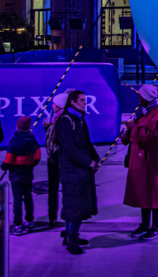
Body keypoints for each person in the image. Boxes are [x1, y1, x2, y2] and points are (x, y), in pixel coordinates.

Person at [55, 89, 100, 255]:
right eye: (81, 100)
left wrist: (95, 157)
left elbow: (87, 143)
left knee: (76, 205)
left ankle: (70, 234)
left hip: (81, 170)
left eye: (85, 100)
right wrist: (88, 161)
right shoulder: (66, 121)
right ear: (72, 102)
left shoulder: (79, 120)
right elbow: (69, 148)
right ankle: (71, 240)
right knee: (74, 206)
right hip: (72, 171)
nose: (85, 103)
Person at [123, 84, 158, 240]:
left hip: (154, 158)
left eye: (140, 96)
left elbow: (154, 136)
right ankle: (145, 224)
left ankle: (156, 226)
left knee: (155, 191)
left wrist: (133, 129)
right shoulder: (142, 112)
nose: (138, 98)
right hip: (142, 158)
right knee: (143, 190)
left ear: (147, 97)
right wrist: (129, 132)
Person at [1, 116, 41, 235]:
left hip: (16, 174)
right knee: (28, 197)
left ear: (17, 126)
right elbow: (37, 155)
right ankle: (30, 221)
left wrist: (4, 166)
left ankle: (18, 224)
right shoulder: (32, 139)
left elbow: (9, 159)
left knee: (17, 200)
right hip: (28, 173)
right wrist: (31, 164)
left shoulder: (14, 141)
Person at [43, 90, 70, 227]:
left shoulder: (64, 119)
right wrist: (46, 130)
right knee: (52, 188)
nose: (52, 106)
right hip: (52, 158)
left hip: (61, 157)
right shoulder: (53, 118)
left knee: (65, 188)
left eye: (55, 104)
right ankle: (52, 216)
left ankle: (67, 218)